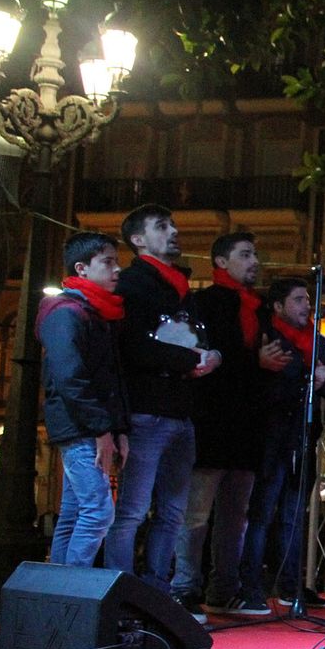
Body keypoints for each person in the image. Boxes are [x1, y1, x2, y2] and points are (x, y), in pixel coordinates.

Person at [108, 204, 221, 597]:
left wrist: (211, 356)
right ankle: (122, 595)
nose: (173, 231)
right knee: (132, 511)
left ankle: (156, 593)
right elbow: (135, 346)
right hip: (147, 410)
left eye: (172, 224)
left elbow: (196, 338)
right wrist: (192, 360)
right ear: (138, 240)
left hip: (181, 411)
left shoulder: (182, 288)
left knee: (172, 512)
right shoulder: (133, 285)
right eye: (161, 226)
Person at [175, 232, 281, 617]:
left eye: (255, 254)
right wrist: (256, 362)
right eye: (245, 254)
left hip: (248, 425)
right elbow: (206, 356)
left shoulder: (261, 308)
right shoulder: (204, 303)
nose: (255, 261)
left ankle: (224, 588)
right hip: (211, 421)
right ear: (221, 262)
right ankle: (185, 588)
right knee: (197, 513)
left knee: (236, 515)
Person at [39, 232, 129, 568]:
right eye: (107, 262)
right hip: (80, 426)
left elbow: (108, 378)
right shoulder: (67, 312)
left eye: (117, 262)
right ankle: (73, 588)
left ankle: (59, 588)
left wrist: (118, 429)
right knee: (97, 512)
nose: (117, 269)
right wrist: (102, 429)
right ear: (82, 268)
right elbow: (70, 377)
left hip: (84, 424)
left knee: (76, 511)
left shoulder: (94, 313)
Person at [254, 276, 325, 609]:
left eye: (308, 300)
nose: (307, 306)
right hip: (271, 437)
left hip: (303, 437)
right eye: (299, 300)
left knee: (295, 513)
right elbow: (276, 385)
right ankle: (253, 584)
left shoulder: (315, 340)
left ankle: (292, 586)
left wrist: (317, 375)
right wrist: (309, 375)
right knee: (262, 513)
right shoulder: (267, 337)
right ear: (278, 306)